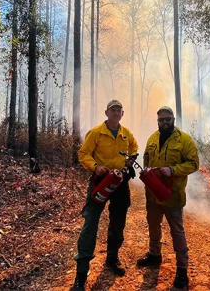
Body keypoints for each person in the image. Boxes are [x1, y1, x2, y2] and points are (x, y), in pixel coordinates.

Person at [71, 100, 138, 291]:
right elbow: (83, 153)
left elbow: (134, 148)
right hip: (99, 183)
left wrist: (130, 163)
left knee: (118, 221)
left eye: (119, 110)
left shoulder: (126, 134)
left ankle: (112, 258)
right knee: (90, 223)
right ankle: (81, 274)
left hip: (120, 182)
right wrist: (95, 167)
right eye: (113, 110)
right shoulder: (96, 132)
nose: (116, 113)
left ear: (122, 114)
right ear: (106, 112)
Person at [136, 106, 199, 289]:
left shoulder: (184, 140)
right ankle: (155, 255)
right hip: (154, 195)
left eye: (168, 119)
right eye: (161, 120)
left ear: (173, 120)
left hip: (173, 195)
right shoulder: (153, 138)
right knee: (153, 225)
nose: (164, 122)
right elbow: (147, 157)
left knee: (177, 232)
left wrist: (173, 170)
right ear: (157, 121)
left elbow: (194, 163)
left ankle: (182, 270)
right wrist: (148, 171)